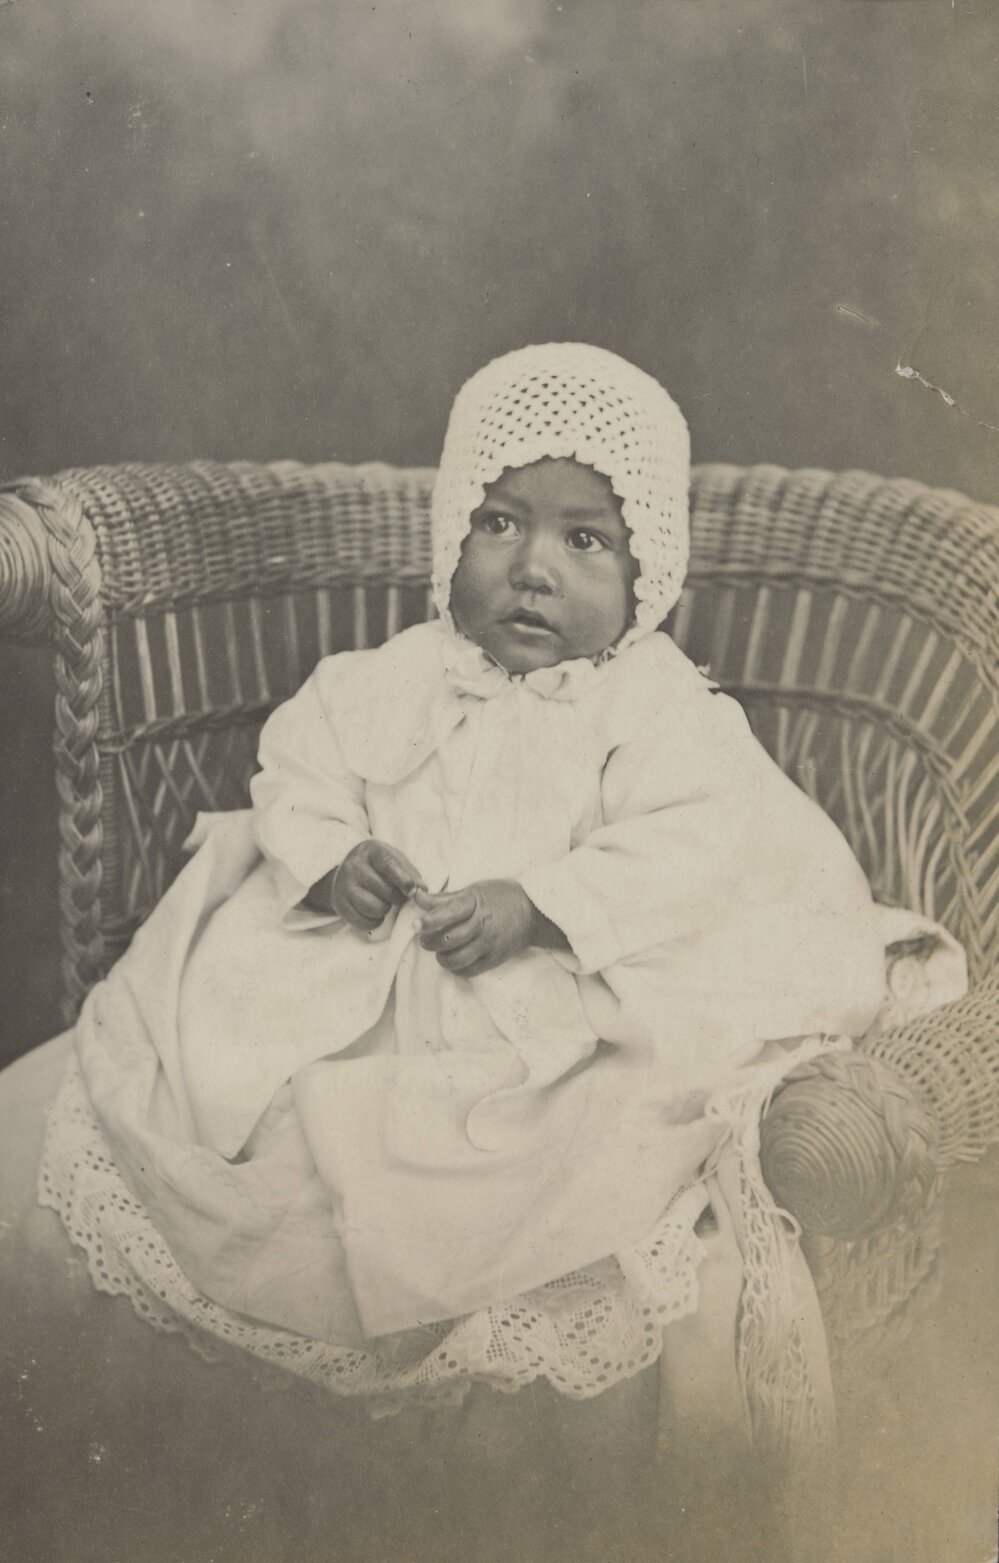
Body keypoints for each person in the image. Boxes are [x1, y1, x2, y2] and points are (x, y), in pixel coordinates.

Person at [37, 343, 903, 1432]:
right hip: (370, 990)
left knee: (558, 1146)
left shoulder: (661, 710)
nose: (532, 567)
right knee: (246, 1095)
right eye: (500, 523)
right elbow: (296, 773)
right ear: (452, 532)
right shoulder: (392, 676)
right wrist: (335, 860)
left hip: (543, 1003)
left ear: (649, 571)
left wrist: (542, 904)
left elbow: (696, 845)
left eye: (584, 538)